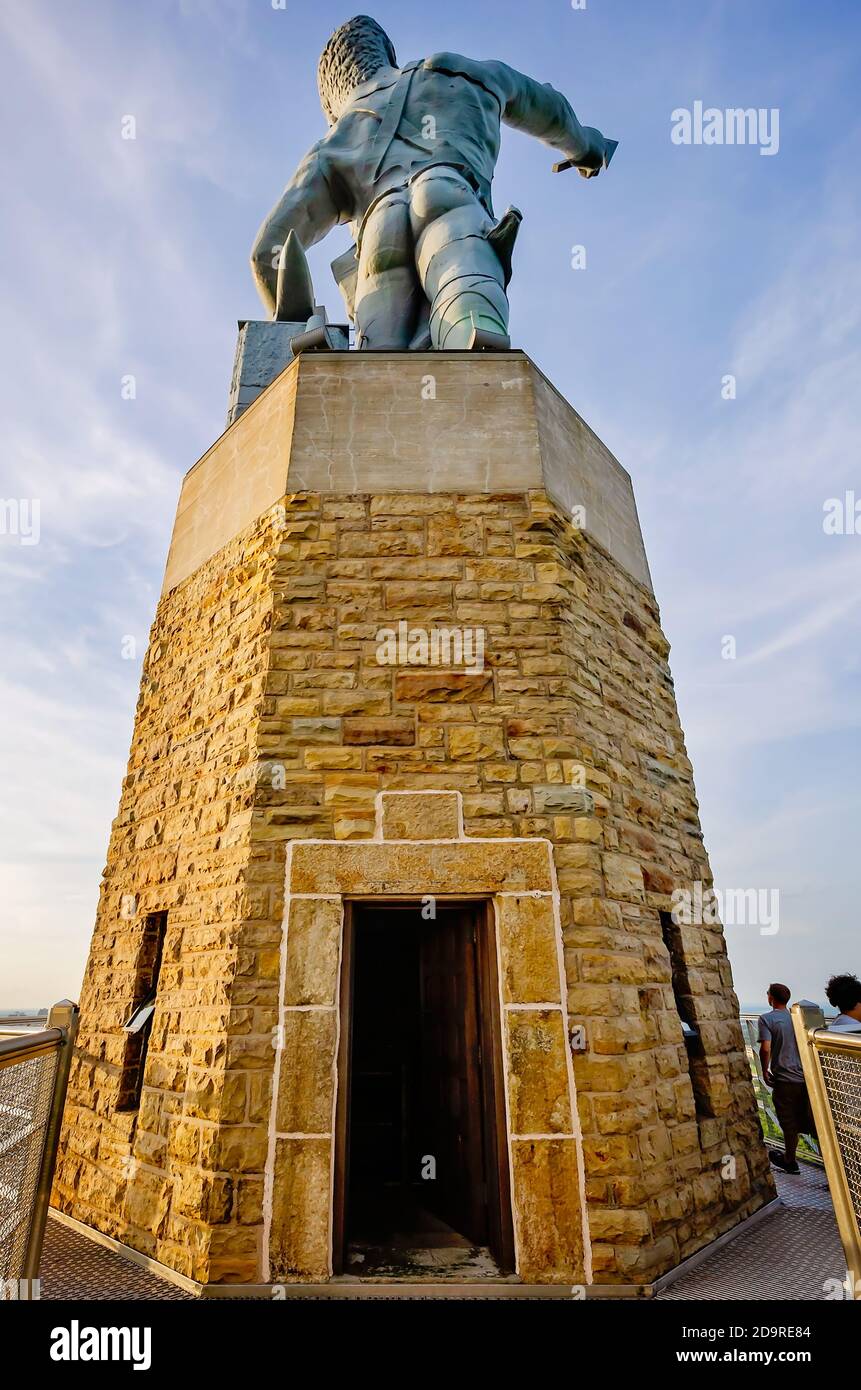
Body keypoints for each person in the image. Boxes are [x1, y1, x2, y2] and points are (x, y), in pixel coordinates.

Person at [251, 15, 616, 351]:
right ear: (385, 53)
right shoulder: (456, 71)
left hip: (379, 231)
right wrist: (586, 147)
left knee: (377, 363)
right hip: (449, 197)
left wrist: (293, 320)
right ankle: (472, 344)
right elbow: (547, 108)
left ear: (336, 98)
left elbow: (267, 250)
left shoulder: (334, 142)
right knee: (467, 304)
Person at [757, 983, 815, 1174]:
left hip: (785, 1080)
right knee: (813, 1122)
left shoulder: (766, 1019)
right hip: (807, 1079)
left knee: (789, 1122)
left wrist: (764, 1070)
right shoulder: (798, 1019)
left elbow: (765, 1048)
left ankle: (790, 1160)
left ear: (770, 998)